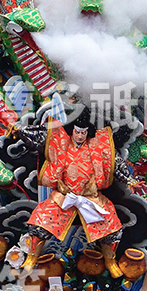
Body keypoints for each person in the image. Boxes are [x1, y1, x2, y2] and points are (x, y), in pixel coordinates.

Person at [23, 109, 122, 275]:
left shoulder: (96, 146)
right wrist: (19, 131)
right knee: (40, 221)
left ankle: (110, 261)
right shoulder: (61, 143)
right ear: (72, 131)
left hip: (89, 197)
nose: (80, 136)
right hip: (63, 196)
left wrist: (131, 181)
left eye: (83, 133)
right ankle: (31, 258)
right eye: (77, 132)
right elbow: (36, 138)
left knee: (111, 226)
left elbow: (116, 163)